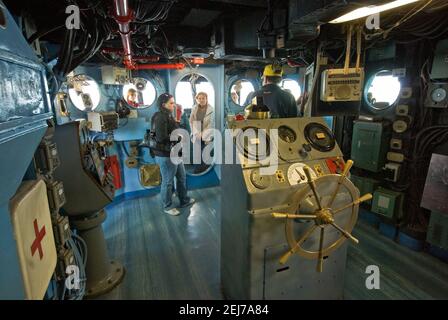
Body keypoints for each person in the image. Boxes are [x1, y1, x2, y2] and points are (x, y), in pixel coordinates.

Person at [151, 93, 195, 216]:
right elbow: (161, 137)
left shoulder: (168, 116)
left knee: (181, 177)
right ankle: (167, 206)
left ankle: (184, 200)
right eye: (171, 103)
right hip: (165, 154)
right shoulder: (160, 117)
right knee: (168, 181)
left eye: (173, 102)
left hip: (175, 152)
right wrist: (178, 136)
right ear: (163, 104)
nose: (173, 104)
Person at [189, 92, 214, 173]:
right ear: (197, 99)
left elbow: (211, 124)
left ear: (206, 99)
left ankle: (204, 172)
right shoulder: (194, 108)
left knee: (205, 154)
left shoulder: (212, 109)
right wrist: (196, 133)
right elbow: (191, 121)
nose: (201, 100)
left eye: (203, 98)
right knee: (197, 154)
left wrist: (203, 134)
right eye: (199, 98)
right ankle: (197, 170)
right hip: (196, 135)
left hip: (207, 135)